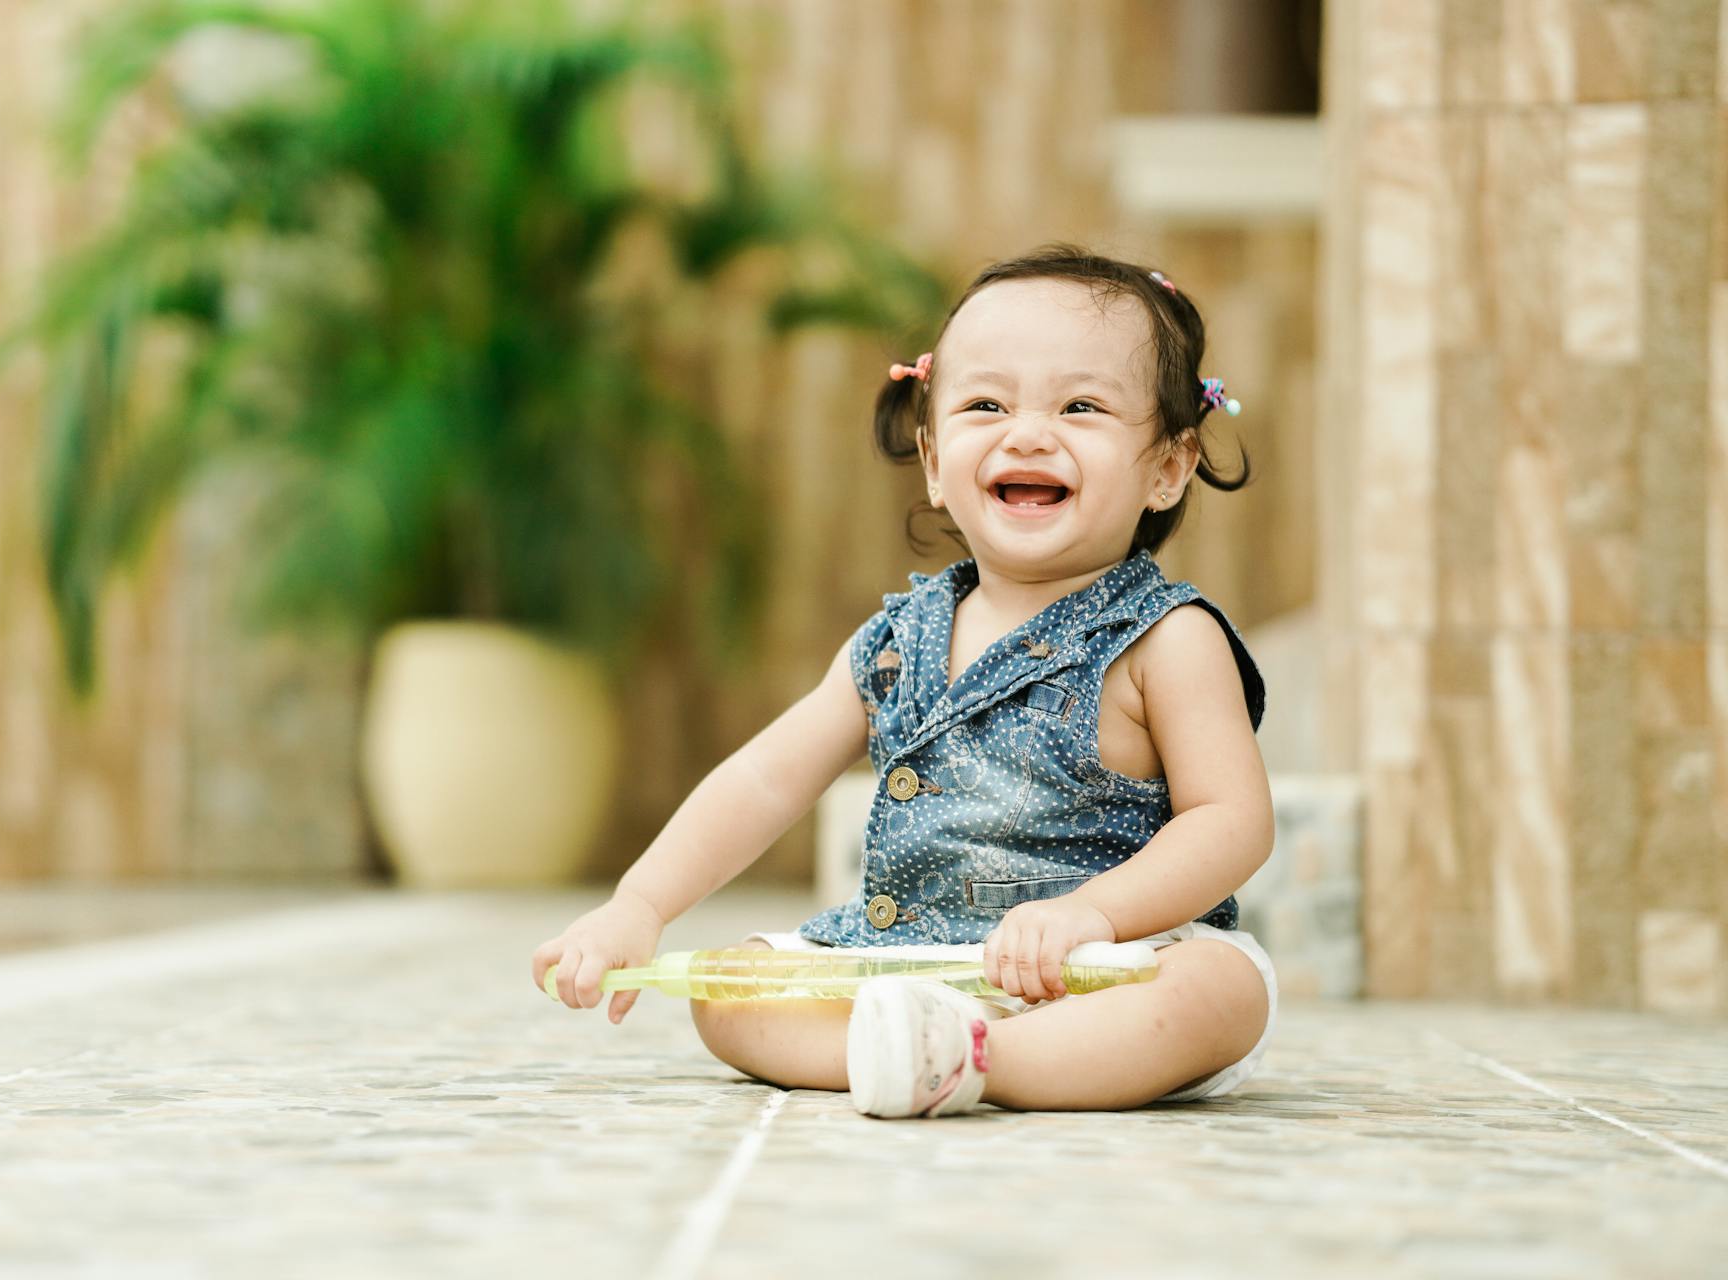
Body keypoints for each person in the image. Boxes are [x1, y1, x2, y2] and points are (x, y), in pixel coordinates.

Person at [531, 243, 1279, 1118]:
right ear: (933, 460)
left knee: (1215, 994)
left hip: (1103, 970)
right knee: (730, 991)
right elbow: (765, 779)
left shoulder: (1167, 639)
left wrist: (1096, 915)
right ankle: (919, 1044)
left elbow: (1232, 822)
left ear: (1167, 467)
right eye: (985, 404)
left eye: (1081, 406)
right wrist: (640, 904)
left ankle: (985, 1059)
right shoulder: (896, 641)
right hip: (908, 959)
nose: (1027, 431)